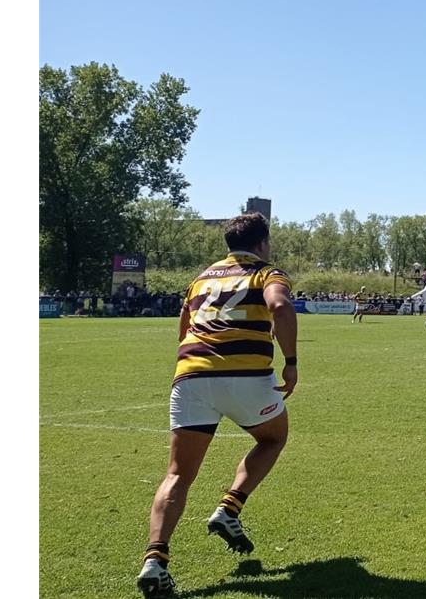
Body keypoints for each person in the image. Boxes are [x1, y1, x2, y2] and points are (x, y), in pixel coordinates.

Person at [137, 213, 298, 598]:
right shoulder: (266, 273)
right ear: (263, 242)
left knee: (177, 474)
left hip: (191, 375)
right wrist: (291, 362)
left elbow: (184, 324)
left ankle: (155, 560)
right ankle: (229, 507)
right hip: (246, 376)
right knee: (272, 439)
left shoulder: (202, 278)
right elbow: (280, 307)